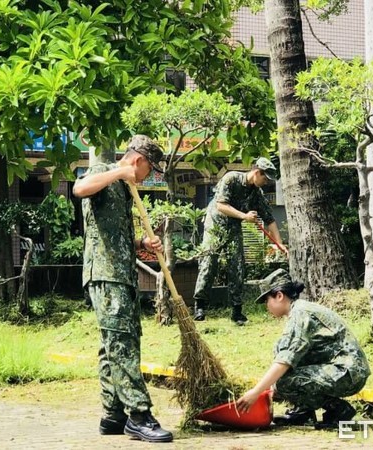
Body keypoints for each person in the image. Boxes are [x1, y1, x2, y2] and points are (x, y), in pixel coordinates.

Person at [73, 135, 173, 443]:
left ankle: (113, 414)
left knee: (112, 345)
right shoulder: (104, 171)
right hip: (105, 275)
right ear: (137, 160)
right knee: (123, 344)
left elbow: (113, 236)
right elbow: (79, 189)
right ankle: (139, 415)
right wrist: (119, 172)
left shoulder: (125, 190)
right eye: (150, 169)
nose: (149, 176)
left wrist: (142, 243)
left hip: (122, 274)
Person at [236, 269, 371, 429]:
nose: (266, 306)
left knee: (283, 381)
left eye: (267, 300)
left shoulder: (301, 314)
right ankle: (304, 411)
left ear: (279, 296)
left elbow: (284, 361)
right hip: (340, 370)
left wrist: (256, 391)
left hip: (347, 373)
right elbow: (288, 353)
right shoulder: (300, 310)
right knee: (280, 349)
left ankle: (338, 409)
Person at [193, 157, 286, 325]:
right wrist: (244, 216)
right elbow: (221, 205)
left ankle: (237, 311)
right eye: (265, 179)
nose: (266, 182)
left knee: (236, 267)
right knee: (209, 264)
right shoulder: (231, 178)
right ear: (257, 172)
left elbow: (270, 219)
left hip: (234, 227)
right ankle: (200, 306)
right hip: (215, 226)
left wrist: (279, 244)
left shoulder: (257, 194)